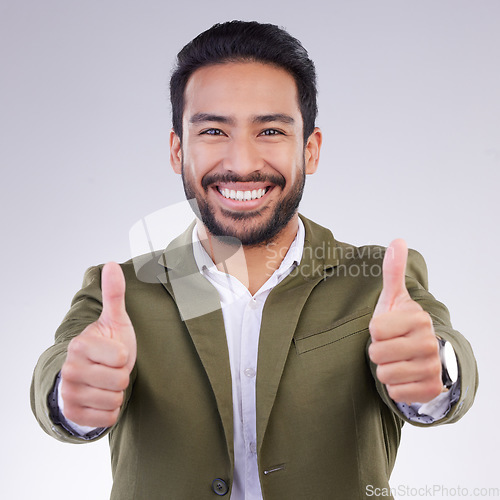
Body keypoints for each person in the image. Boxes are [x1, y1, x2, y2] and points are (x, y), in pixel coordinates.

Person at [31, 20, 478, 499]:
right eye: (213, 130)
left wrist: (434, 374)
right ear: (177, 150)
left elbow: (443, 362)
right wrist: (70, 398)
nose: (242, 162)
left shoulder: (374, 280)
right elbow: (57, 373)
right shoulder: (121, 290)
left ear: (310, 149)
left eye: (269, 130)